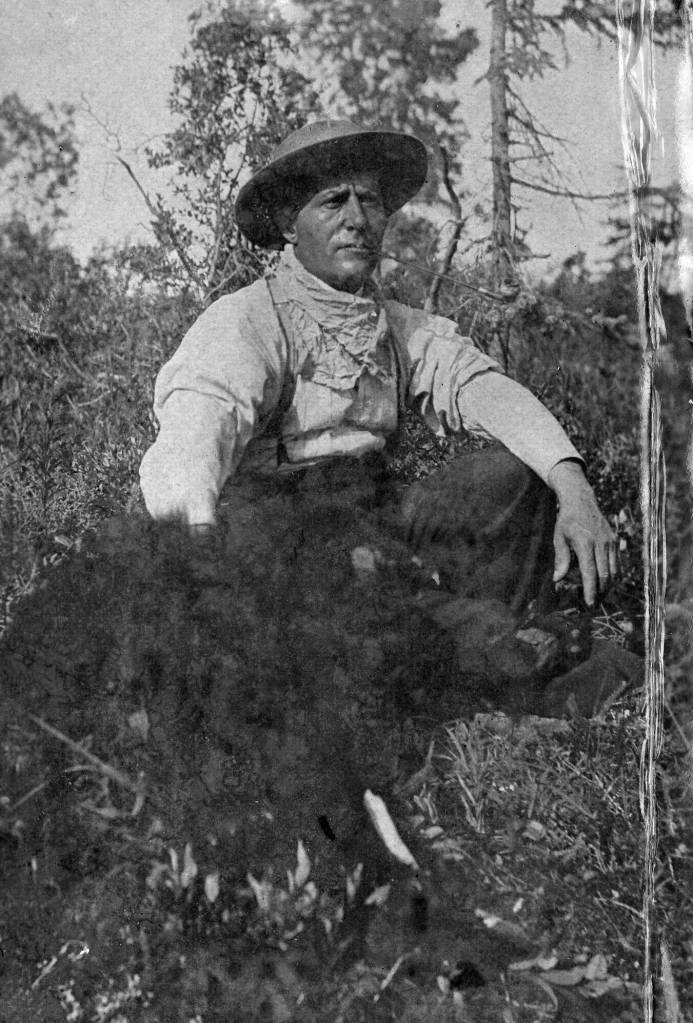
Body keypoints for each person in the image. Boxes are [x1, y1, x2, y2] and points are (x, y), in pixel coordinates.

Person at [139, 120, 617, 613]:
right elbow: (192, 441)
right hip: (280, 538)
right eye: (333, 201)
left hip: (375, 519)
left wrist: (574, 487)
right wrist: (197, 555)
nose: (356, 219)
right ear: (288, 225)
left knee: (507, 478)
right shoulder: (247, 321)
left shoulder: (396, 327)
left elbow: (484, 388)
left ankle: (510, 651)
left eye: (368, 200)